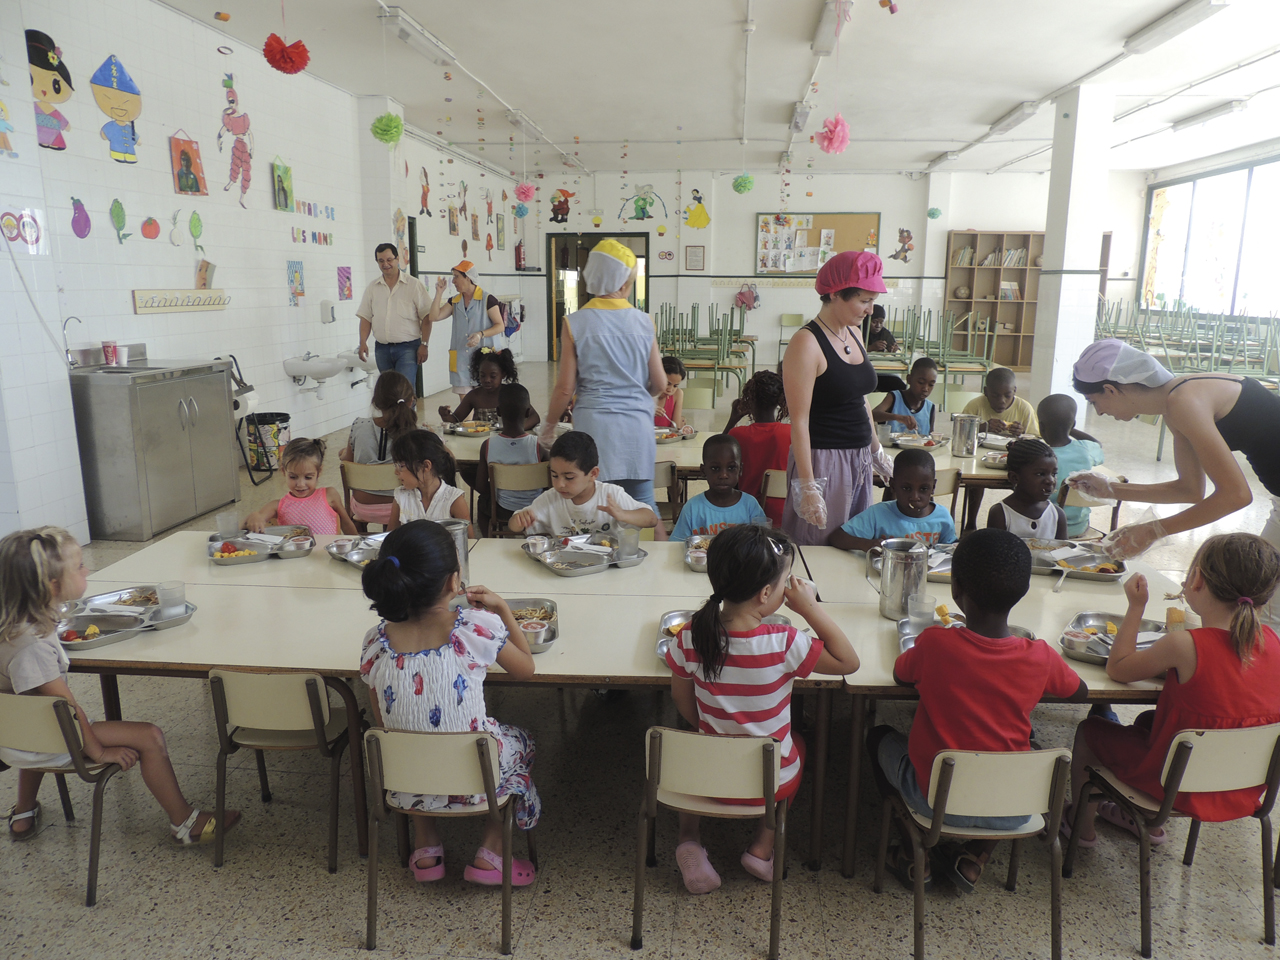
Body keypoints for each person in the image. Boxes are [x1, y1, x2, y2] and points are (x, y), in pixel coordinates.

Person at [870, 528, 1087, 892]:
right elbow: (1079, 692)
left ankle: (913, 855)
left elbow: (899, 673)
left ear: (955, 589)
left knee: (876, 738)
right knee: (1027, 747)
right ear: (1022, 593)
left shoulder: (936, 644)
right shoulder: (1040, 656)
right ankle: (976, 857)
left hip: (934, 801)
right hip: (1015, 808)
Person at [0, 527, 240, 844]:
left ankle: (24, 811)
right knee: (150, 736)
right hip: (42, 742)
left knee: (36, 717)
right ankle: (184, 822)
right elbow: (68, 710)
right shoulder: (34, 649)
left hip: (14, 733)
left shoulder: (15, 622)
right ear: (53, 585)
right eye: (80, 567)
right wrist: (98, 751)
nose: (87, 570)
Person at [664, 525, 859, 892]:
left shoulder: (690, 634)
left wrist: (711, 732)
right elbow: (849, 662)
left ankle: (689, 840)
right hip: (767, 784)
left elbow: (680, 698)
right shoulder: (785, 642)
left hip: (707, 777)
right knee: (796, 744)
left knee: (689, 748)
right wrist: (810, 608)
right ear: (767, 593)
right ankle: (761, 847)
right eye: (787, 583)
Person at [1066, 534, 1280, 849]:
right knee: (1149, 721)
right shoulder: (1272, 642)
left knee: (1089, 731)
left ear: (1195, 580)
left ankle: (1080, 829)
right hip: (1240, 787)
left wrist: (1136, 607)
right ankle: (1147, 823)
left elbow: (1118, 668)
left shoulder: (1184, 645)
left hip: (1177, 784)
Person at [358, 520, 539, 885]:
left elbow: (384, 722)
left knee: (410, 736)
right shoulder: (475, 626)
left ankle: (425, 846)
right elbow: (527, 668)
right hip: (477, 782)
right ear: (452, 582)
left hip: (406, 781)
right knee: (523, 741)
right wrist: (502, 607)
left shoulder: (375, 642)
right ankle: (491, 848)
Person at [1068, 339, 1280, 579]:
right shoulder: (1176, 399)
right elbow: (1189, 489)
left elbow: (1236, 495)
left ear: (1111, 389)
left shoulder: (1184, 402)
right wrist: (1110, 489)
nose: (1099, 412)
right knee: (1265, 592)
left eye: (1094, 402)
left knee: (1266, 596)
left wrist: (1153, 531)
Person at [541, 240, 668, 536]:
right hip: (637, 426)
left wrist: (548, 427)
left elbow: (564, 388)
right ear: (624, 282)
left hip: (594, 427)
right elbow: (661, 383)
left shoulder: (575, 323)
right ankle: (663, 568)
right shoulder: (643, 321)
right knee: (644, 504)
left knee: (596, 505)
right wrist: (634, 396)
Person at [781, 250, 895, 546]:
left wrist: (875, 450)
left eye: (873, 300)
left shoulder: (854, 332)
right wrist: (807, 484)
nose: (871, 310)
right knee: (819, 545)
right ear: (834, 294)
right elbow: (799, 422)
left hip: (858, 458)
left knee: (851, 543)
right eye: (864, 300)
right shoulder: (806, 343)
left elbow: (860, 399)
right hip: (824, 461)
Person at [508, 431, 658, 538]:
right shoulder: (550, 499)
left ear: (593, 474)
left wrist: (623, 514)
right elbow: (514, 525)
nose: (560, 484)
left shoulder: (610, 495)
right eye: (554, 475)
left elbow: (651, 519)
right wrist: (519, 521)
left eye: (569, 477)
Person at [829, 448, 957, 552]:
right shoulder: (878, 514)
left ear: (933, 487)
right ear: (893, 486)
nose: (915, 496)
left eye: (923, 489)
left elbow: (951, 549)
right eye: (906, 488)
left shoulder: (942, 517)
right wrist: (866, 544)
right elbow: (837, 538)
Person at [338, 370, 419, 529]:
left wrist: (342, 454)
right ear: (411, 401)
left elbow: (348, 461)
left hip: (363, 507)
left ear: (376, 402)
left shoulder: (358, 426)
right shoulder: (417, 434)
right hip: (403, 508)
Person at [356, 243, 433, 384]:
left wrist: (425, 344)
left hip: (408, 348)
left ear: (397, 259)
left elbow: (427, 317)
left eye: (389, 260)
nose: (385, 264)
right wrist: (363, 342)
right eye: (381, 261)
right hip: (382, 349)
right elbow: (366, 318)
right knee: (388, 393)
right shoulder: (372, 288)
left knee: (405, 391)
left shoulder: (413, 285)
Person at [426, 260, 505, 397]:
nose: (453, 281)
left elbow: (500, 326)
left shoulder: (488, 299)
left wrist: (480, 334)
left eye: (456, 276)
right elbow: (434, 317)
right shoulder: (454, 301)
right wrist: (439, 293)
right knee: (466, 404)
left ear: (467, 278)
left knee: (486, 401)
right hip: (462, 359)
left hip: (484, 359)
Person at [244, 438, 356, 536]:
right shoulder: (277, 506)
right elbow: (258, 518)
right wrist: (254, 516)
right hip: (297, 559)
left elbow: (346, 524)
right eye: (293, 477)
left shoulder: (329, 495)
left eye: (308, 477)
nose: (300, 484)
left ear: (319, 472)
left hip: (327, 558)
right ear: (284, 471)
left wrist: (360, 545)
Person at [475, 383, 546, 536]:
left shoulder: (488, 445)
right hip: (535, 510)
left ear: (498, 411)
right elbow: (551, 484)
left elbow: (480, 486)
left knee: (482, 501)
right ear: (528, 413)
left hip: (503, 510)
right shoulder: (539, 446)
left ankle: (487, 540)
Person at [725, 370, 792, 527]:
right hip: (784, 515)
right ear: (779, 402)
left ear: (749, 400)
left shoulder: (736, 434)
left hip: (746, 515)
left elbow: (717, 452)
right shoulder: (791, 433)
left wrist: (733, 419)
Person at [670, 435, 766, 541]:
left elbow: (762, 543)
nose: (723, 475)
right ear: (703, 471)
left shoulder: (750, 506)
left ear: (740, 470)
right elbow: (677, 545)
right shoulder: (692, 508)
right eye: (715, 468)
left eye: (731, 468)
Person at [1037, 394, 1104, 539]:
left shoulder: (1039, 456)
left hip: (1048, 528)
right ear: (1073, 424)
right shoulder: (1087, 450)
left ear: (1041, 426)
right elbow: (1098, 444)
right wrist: (1069, 429)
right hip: (1080, 527)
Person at [438, 347, 538, 431]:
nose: (487, 380)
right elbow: (455, 419)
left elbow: (534, 417)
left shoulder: (510, 394)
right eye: (482, 375)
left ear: (503, 374)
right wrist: (445, 415)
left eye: (493, 376)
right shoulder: (474, 396)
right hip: (480, 443)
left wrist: (516, 430)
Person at [987, 438, 1068, 540]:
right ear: (1015, 478)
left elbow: (1064, 553)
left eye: (1053, 474)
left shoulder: (1057, 515)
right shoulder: (1001, 514)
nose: (1050, 480)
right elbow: (994, 554)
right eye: (1040, 474)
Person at [387, 430, 469, 530]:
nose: (396, 472)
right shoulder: (401, 496)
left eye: (401, 466)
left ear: (426, 466)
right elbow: (391, 538)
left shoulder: (454, 500)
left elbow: (468, 541)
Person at [961, 366, 1039, 437]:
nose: (1001, 401)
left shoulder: (1024, 408)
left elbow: (1036, 439)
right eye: (995, 396)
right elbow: (960, 433)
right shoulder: (975, 405)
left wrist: (1022, 433)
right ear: (986, 392)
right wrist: (981, 428)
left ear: (1014, 391)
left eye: (1007, 396)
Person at [872, 358, 938, 436]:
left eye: (931, 385)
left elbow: (929, 437)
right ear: (909, 379)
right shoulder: (894, 398)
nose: (925, 389)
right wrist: (897, 417)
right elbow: (873, 414)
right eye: (921, 382)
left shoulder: (930, 408)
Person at [655, 356, 686, 428]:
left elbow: (675, 428)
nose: (670, 390)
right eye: (667, 384)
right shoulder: (644, 393)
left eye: (675, 386)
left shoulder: (677, 394)